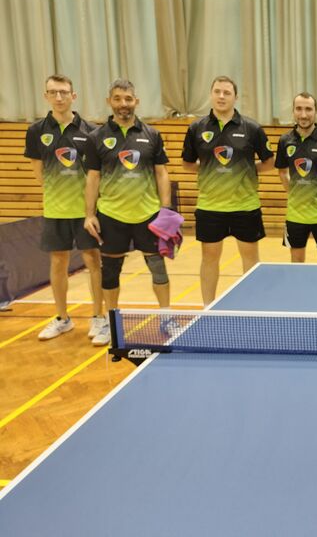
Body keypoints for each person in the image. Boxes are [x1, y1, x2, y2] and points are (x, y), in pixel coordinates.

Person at [84, 79, 173, 345]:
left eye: (128, 99)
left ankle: (166, 317)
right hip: (111, 216)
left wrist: (166, 210)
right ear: (109, 101)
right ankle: (112, 324)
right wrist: (90, 214)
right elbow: (92, 178)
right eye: (118, 98)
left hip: (148, 214)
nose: (123, 104)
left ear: (136, 101)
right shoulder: (96, 137)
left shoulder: (152, 134)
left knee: (158, 269)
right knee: (110, 272)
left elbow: (161, 173)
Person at [23, 74, 104, 340]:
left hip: (86, 211)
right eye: (53, 92)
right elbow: (38, 171)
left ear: (73, 96)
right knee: (58, 262)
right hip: (55, 210)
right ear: (46, 96)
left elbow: (96, 173)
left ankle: (99, 318)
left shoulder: (91, 130)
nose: (59, 97)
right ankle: (62, 318)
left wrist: (91, 206)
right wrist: (56, 192)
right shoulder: (36, 131)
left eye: (63, 92)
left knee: (93, 261)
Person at [182, 76, 274, 305]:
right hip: (210, 207)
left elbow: (269, 162)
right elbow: (187, 164)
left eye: (227, 93)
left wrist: (246, 170)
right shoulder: (196, 128)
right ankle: (208, 308)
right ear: (211, 94)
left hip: (245, 205)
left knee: (251, 259)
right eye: (217, 92)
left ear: (236, 97)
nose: (221, 96)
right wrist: (209, 170)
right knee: (209, 258)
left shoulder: (252, 128)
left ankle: (252, 307)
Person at [275, 92, 317, 263]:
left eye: (308, 109)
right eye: (299, 109)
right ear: (293, 111)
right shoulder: (285, 140)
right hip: (295, 215)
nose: (303, 114)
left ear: (316, 112)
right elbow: (282, 171)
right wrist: (292, 192)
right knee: (296, 261)